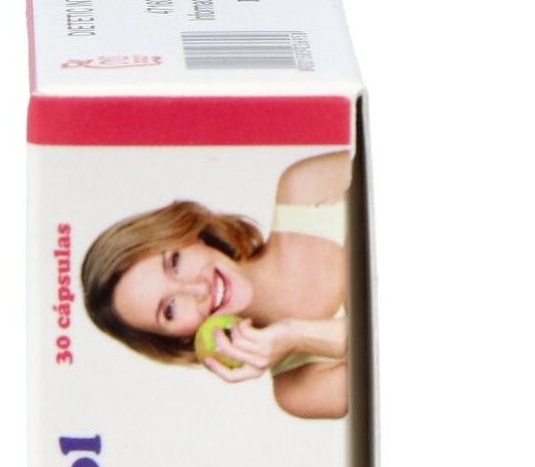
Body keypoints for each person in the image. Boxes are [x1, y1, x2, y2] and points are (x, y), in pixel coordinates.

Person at [81, 151, 352, 419]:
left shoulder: (305, 189)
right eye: (170, 309)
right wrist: (295, 336)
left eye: (175, 262)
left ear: (189, 235)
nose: (199, 289)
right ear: (181, 339)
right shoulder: (298, 390)